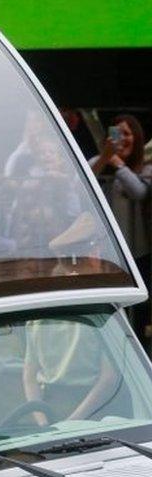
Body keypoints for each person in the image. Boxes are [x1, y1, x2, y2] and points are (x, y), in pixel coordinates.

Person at [89, 114, 152, 341]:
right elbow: (83, 180)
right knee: (115, 312)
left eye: (127, 133)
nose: (122, 139)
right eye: (117, 133)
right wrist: (105, 158)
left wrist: (119, 165)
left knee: (139, 314)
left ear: (137, 137)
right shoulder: (102, 160)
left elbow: (140, 192)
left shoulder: (145, 167)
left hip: (139, 252)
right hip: (109, 255)